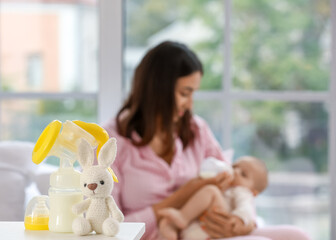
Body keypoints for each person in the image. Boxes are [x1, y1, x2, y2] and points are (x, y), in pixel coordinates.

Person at [102, 41, 310, 240]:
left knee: (297, 237)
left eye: (194, 93)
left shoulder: (196, 129)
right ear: (157, 90)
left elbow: (234, 182)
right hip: (158, 235)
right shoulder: (110, 141)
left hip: (207, 229)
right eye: (185, 93)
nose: (190, 103)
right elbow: (108, 228)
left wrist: (242, 224)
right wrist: (183, 195)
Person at [158, 156, 268, 240]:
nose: (235, 171)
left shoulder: (242, 192)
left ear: (253, 192)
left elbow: (246, 208)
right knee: (166, 223)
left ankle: (182, 217)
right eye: (234, 166)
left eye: (243, 174)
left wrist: (238, 218)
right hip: (199, 227)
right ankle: (174, 229)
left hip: (221, 223)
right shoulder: (225, 184)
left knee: (211, 190)